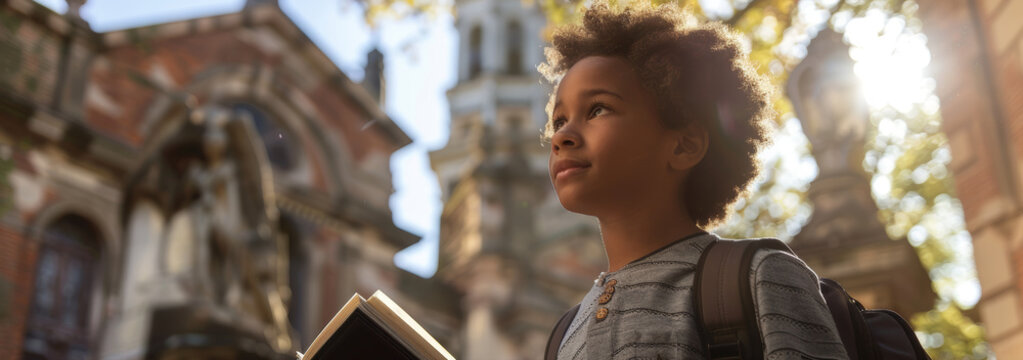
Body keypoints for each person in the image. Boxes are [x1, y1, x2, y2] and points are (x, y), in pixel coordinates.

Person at [540, 2, 849, 359]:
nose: (562, 137)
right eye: (559, 120)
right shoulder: (564, 332)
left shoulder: (759, 277)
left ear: (684, 145)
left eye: (598, 109)